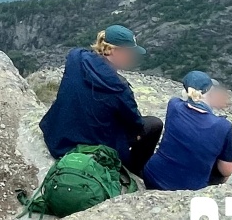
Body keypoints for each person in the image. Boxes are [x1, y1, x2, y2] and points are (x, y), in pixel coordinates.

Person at [39, 25, 163, 175]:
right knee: (154, 125)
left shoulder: (75, 57)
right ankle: (134, 170)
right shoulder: (119, 88)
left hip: (56, 139)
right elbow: (135, 123)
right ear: (114, 51)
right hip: (88, 149)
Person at [142, 71, 232, 191]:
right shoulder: (223, 126)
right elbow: (226, 170)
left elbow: (187, 104)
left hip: (152, 177)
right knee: (227, 165)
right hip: (188, 189)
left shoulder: (174, 106)